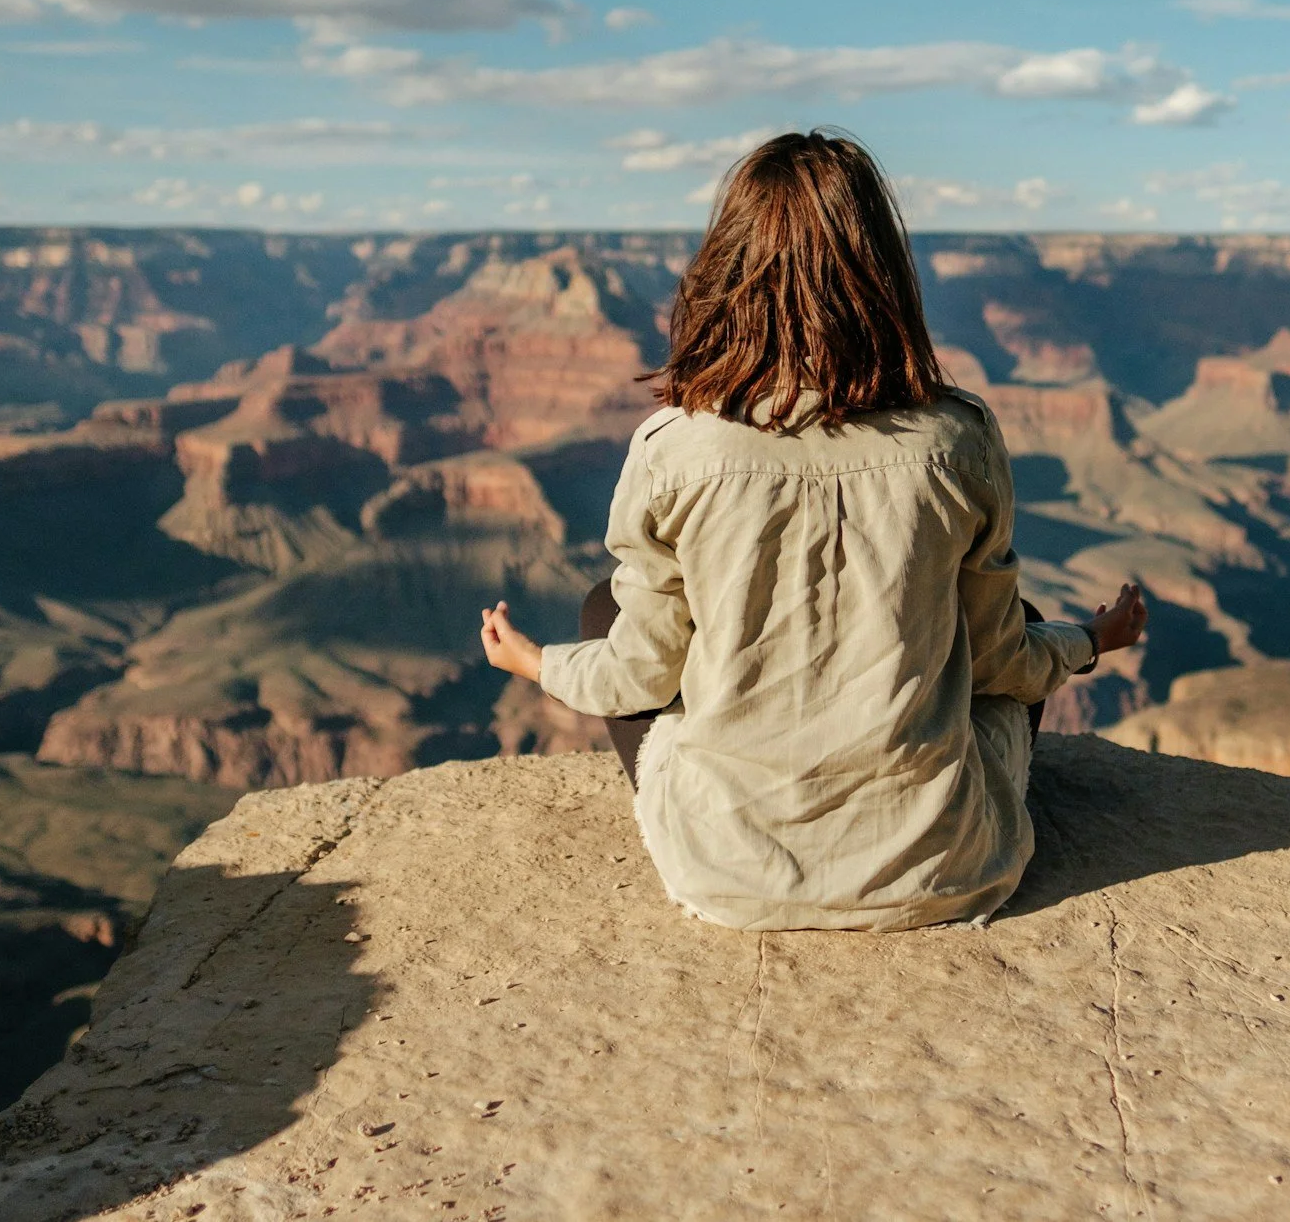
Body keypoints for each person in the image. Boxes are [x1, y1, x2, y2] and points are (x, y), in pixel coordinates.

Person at [477, 129, 1146, 932]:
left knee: (602, 613)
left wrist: (534, 662)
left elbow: (641, 677)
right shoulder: (956, 438)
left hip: (727, 876)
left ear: (726, 272)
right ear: (883, 274)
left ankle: (742, 829)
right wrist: (1090, 638)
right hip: (942, 871)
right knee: (1024, 621)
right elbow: (1002, 660)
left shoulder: (673, 448)